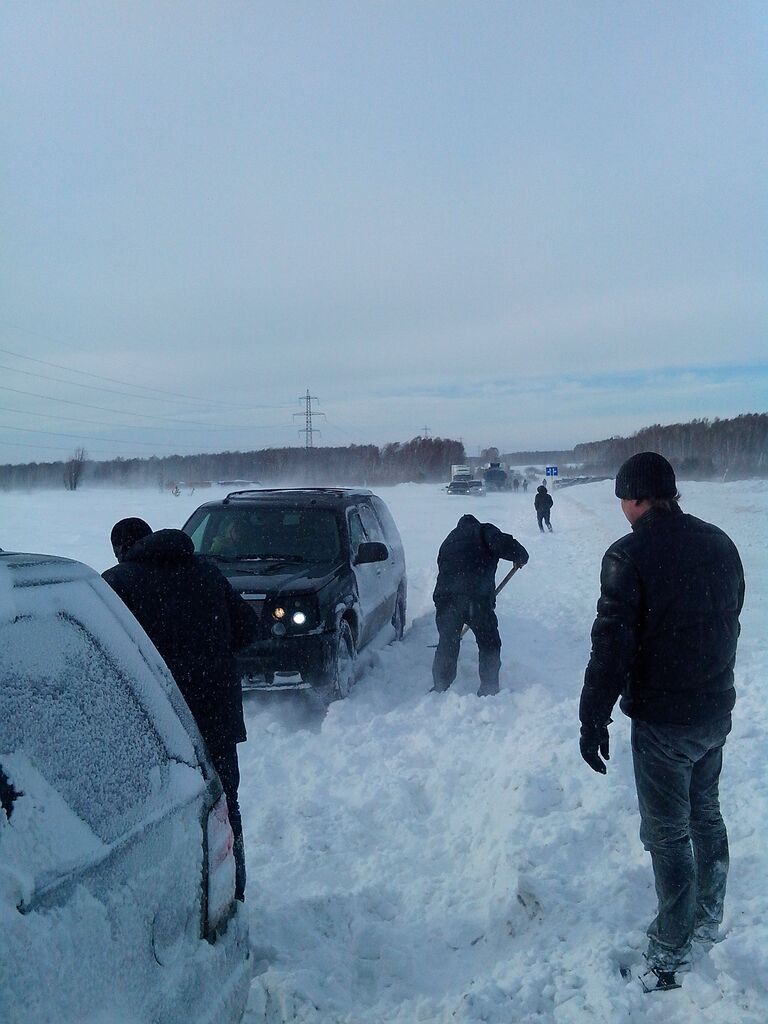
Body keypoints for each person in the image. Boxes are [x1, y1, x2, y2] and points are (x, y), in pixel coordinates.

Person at [578, 452, 745, 991]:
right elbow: (730, 617)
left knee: (668, 833)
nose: (622, 509)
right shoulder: (720, 541)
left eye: (623, 499)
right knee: (706, 815)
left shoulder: (628, 555)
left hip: (665, 722)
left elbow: (611, 647)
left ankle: (670, 953)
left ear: (637, 498)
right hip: (714, 710)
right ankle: (706, 920)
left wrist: (592, 717)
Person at [103, 517, 258, 900]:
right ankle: (231, 893)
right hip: (216, 716)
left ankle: (176, 898)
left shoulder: (117, 584)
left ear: (122, 549)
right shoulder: (206, 572)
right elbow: (248, 628)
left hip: (155, 722)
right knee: (223, 804)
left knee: (159, 816)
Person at [431, 514, 529, 697]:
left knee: (447, 641)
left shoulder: (448, 540)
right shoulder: (483, 530)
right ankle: (489, 687)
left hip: (445, 598)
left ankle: (440, 686)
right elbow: (500, 543)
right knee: (489, 642)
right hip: (475, 597)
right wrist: (520, 555)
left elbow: (443, 567)